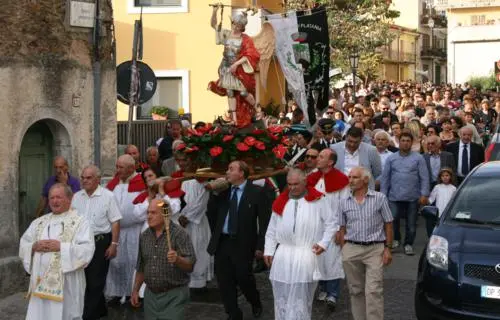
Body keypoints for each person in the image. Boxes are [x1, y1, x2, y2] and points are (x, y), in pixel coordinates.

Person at [264, 169, 335, 320]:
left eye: (296, 184)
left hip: (305, 254)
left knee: (301, 297)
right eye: (289, 184)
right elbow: (272, 229)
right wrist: (269, 250)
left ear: (304, 182)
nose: (292, 188)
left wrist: (323, 244)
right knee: (281, 294)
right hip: (283, 254)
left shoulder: (318, 200)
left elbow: (331, 224)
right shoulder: (281, 201)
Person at [19, 183, 95, 320]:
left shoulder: (80, 222)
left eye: (59, 197)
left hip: (67, 284)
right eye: (51, 198)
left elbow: (87, 250)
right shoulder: (39, 222)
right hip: (39, 282)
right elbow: (24, 243)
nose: (54, 201)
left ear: (69, 199)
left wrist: (61, 247)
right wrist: (34, 246)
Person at [206, 161, 270, 320]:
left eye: (231, 169)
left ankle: (254, 301)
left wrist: (261, 245)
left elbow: (264, 222)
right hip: (223, 242)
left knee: (244, 278)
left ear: (242, 173)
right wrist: (213, 194)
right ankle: (233, 313)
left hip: (244, 243)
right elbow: (211, 214)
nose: (227, 172)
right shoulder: (223, 192)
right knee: (224, 281)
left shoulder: (257, 192)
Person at [338, 167, 394, 320]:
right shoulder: (343, 202)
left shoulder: (379, 198)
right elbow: (341, 228)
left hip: (375, 249)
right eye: (349, 177)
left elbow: (388, 223)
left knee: (374, 290)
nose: (350, 180)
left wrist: (388, 249)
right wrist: (344, 249)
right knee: (355, 290)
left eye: (354, 177)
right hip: (351, 248)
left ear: (365, 180)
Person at [71, 165, 122, 320]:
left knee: (95, 282)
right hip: (80, 244)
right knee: (84, 279)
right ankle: (101, 310)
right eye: (83, 177)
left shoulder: (108, 196)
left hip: (100, 242)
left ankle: (89, 316)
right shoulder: (76, 197)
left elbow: (115, 222)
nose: (84, 180)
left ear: (98, 179)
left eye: (88, 177)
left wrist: (114, 244)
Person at [131, 199, 195, 320]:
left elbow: (190, 265)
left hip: (175, 296)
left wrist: (178, 260)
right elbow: (141, 266)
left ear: (165, 214)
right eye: (148, 213)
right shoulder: (144, 236)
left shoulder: (179, 234)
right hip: (150, 296)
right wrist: (135, 290)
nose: (149, 216)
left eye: (153, 213)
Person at [307, 149, 349, 310]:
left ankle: (333, 293)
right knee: (317, 258)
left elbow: (344, 206)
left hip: (333, 227)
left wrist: (341, 228)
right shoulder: (313, 176)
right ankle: (322, 288)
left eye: (321, 156)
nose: (317, 158)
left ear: (330, 162)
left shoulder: (341, 180)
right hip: (314, 225)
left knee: (332, 260)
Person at [208, 5, 260, 127]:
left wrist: (236, 64)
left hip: (238, 69)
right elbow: (214, 25)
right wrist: (215, 11)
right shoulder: (227, 34)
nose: (235, 26)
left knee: (242, 92)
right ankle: (234, 119)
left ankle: (258, 110)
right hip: (225, 67)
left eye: (238, 25)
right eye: (234, 24)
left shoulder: (245, 39)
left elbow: (251, 54)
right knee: (230, 92)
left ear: (242, 27)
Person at [105, 154, 147, 303]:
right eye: (117, 166)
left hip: (135, 230)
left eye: (120, 167)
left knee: (135, 261)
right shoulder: (113, 184)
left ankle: (133, 293)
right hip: (117, 232)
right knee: (117, 263)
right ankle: (117, 293)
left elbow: (145, 207)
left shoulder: (140, 183)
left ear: (131, 168)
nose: (117, 170)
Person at [380, 132, 429, 255]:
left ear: (411, 143)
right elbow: (385, 178)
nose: (405, 143)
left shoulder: (418, 158)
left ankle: (408, 244)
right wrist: (382, 195)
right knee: (393, 218)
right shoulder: (391, 158)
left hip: (413, 196)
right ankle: (396, 239)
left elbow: (424, 177)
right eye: (403, 140)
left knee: (411, 223)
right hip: (394, 196)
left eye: (408, 140)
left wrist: (424, 194)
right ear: (399, 141)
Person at [425, 168, 457, 237]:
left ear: (450, 176)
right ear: (440, 177)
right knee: (437, 231)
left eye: (447, 175)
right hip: (438, 214)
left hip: (448, 214)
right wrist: (424, 200)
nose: (445, 177)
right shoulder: (437, 187)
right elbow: (431, 200)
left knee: (447, 232)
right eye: (443, 176)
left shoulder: (454, 188)